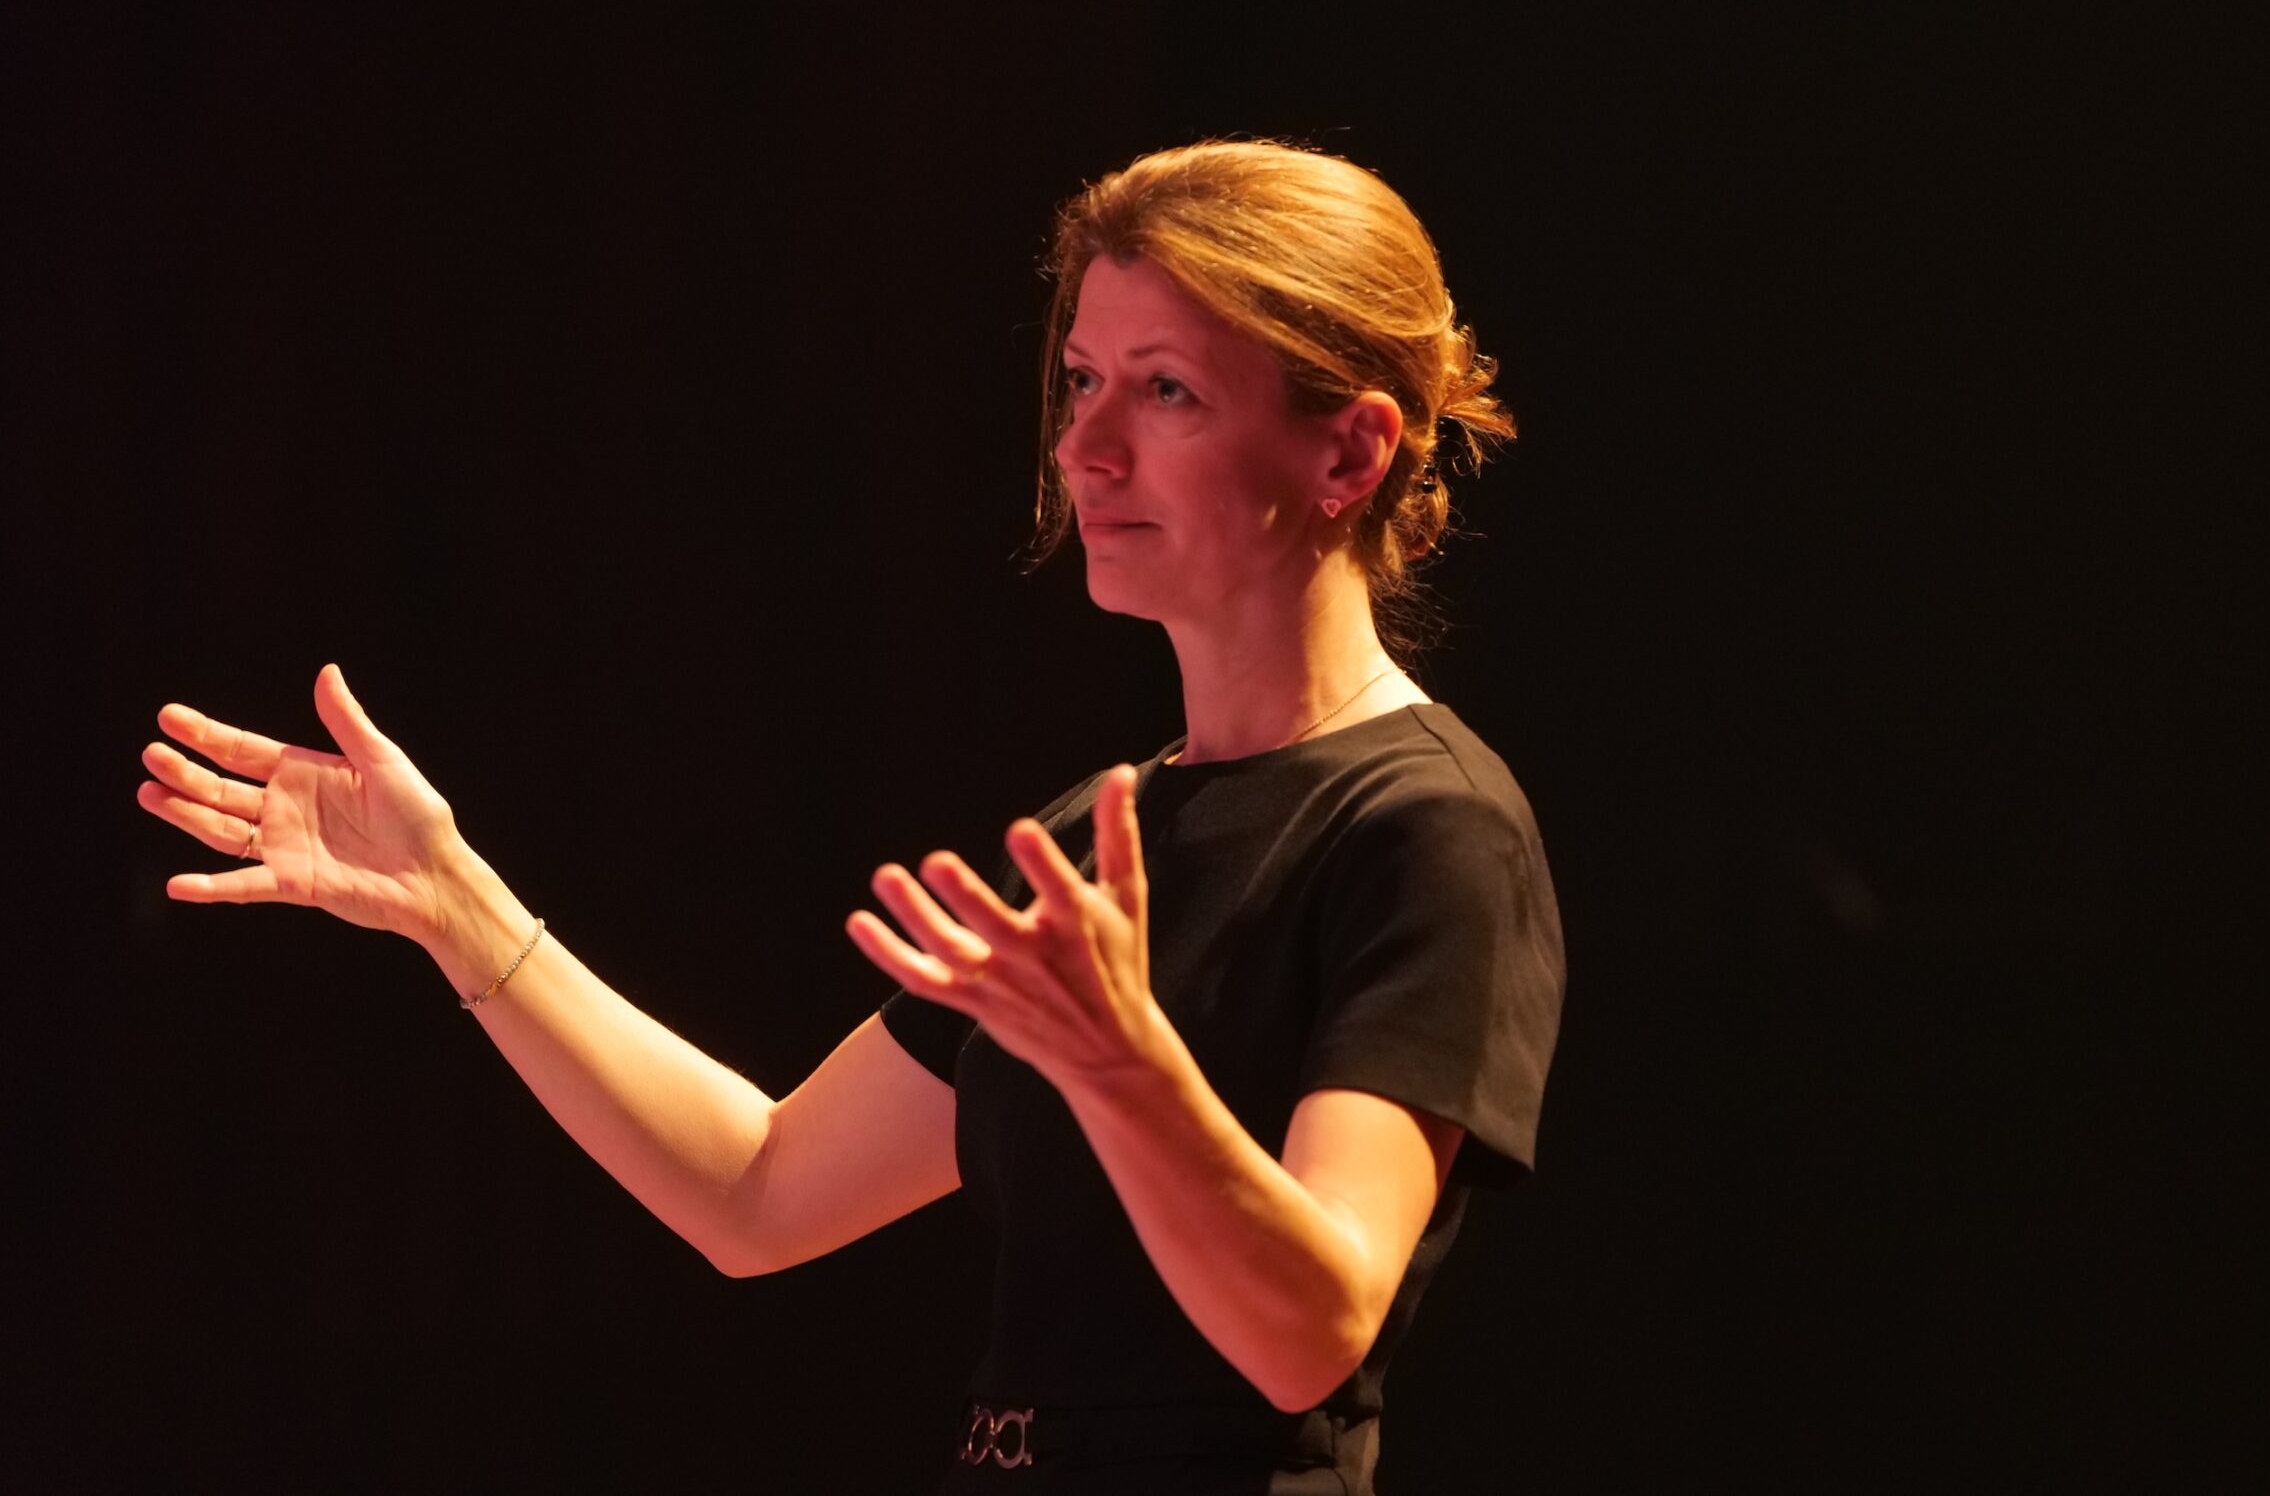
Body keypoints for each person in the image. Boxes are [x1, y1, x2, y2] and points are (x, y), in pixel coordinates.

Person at [135, 139, 1566, 1494]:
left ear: (1350, 454)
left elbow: (1312, 1336)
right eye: (1081, 380)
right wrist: (454, 901)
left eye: (1168, 391)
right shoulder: (1093, 834)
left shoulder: (1425, 827)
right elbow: (759, 1193)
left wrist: (1124, 1068)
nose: (1085, 447)